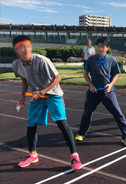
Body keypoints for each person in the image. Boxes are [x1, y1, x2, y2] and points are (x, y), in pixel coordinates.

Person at [12, 35, 82, 170]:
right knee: (31, 124)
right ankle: (33, 155)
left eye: (28, 46)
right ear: (17, 50)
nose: (26, 49)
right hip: (36, 96)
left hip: (53, 94)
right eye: (22, 47)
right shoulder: (16, 65)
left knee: (61, 122)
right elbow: (24, 80)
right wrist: (22, 96)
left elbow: (57, 78)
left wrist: (42, 92)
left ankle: (74, 156)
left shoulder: (42, 61)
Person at [75, 37, 126, 146]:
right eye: (99, 46)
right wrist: (91, 85)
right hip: (94, 92)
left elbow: (115, 74)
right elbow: (85, 74)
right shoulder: (91, 59)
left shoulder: (112, 60)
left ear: (107, 48)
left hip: (108, 92)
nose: (100, 48)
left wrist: (111, 85)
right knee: (87, 113)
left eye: (103, 46)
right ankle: (81, 133)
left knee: (118, 114)